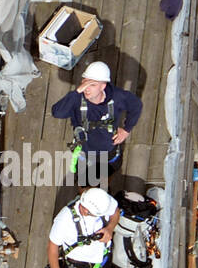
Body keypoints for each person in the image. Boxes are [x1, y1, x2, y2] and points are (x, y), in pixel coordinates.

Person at [50, 60, 141, 189]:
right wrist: (76, 93)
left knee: (106, 178)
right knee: (84, 184)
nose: (86, 89)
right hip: (85, 153)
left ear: (103, 86)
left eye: (92, 84)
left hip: (109, 152)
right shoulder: (77, 100)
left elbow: (136, 105)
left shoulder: (117, 97)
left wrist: (126, 130)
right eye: (84, 82)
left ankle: (102, 189)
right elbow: (57, 112)